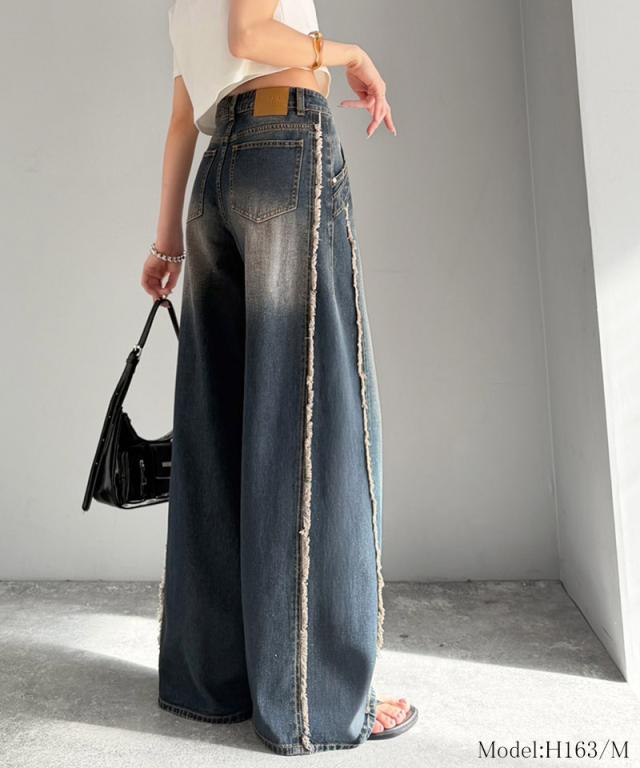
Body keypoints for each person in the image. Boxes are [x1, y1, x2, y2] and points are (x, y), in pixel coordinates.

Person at [142, 0, 417, 755]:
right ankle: (313, 702)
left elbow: (182, 119)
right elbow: (251, 35)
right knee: (313, 424)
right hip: (286, 149)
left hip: (215, 178)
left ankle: (209, 684)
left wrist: (166, 246)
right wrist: (354, 55)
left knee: (219, 428)